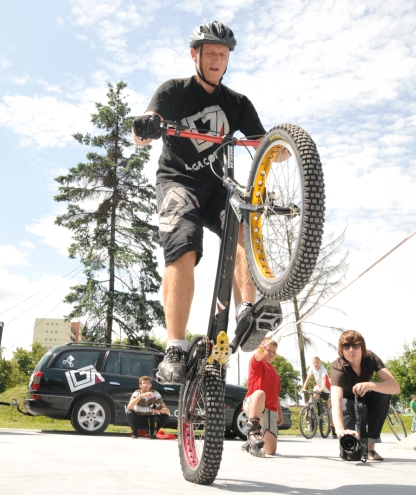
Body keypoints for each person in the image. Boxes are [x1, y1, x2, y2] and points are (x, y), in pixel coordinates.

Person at [132, 21, 282, 384]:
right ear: (194, 55)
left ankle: (247, 311)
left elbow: (263, 144)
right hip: (178, 182)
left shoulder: (237, 103)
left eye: (223, 54)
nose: (217, 60)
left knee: (241, 224)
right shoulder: (174, 91)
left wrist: (286, 150)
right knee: (184, 247)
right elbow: (146, 128)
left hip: (216, 186)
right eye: (210, 53)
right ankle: (175, 346)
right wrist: (146, 128)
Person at [330, 330, 400, 461]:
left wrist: (370, 385)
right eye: (346, 346)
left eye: (355, 345)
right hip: (347, 401)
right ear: (341, 349)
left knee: (383, 394)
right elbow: (336, 402)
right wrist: (339, 429)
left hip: (366, 397)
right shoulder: (338, 366)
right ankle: (352, 439)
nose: (351, 350)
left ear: (362, 346)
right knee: (351, 445)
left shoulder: (371, 357)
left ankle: (370, 446)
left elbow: (395, 387)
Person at [242, 337, 283, 456]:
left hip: (270, 411)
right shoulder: (257, 363)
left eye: (274, 352)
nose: (271, 354)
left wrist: (279, 413)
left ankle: (251, 445)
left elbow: (276, 395)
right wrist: (259, 350)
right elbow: (257, 356)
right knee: (260, 393)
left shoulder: (275, 371)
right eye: (268, 350)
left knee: (271, 451)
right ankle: (253, 430)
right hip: (254, 404)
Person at [301, 356, 336, 438]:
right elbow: (308, 378)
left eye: (317, 362)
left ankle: (333, 428)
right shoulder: (312, 368)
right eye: (314, 362)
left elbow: (324, 378)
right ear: (312, 363)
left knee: (329, 409)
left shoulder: (322, 368)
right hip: (318, 387)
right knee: (310, 403)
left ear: (319, 363)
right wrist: (304, 387)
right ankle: (312, 422)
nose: (316, 364)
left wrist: (322, 387)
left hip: (326, 388)